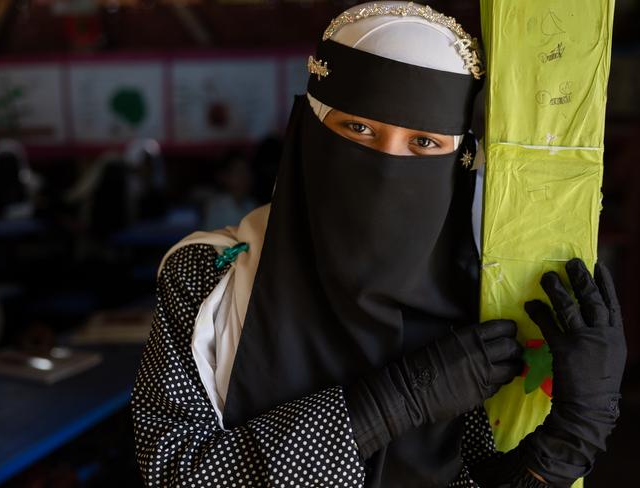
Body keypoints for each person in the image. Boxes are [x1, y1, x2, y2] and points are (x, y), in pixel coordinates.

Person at [131, 2, 626, 487]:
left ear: (458, 159)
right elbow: (174, 469)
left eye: (424, 143)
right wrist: (395, 402)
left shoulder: (477, 293)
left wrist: (572, 437)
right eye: (359, 128)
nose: (388, 163)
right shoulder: (212, 273)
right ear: (310, 132)